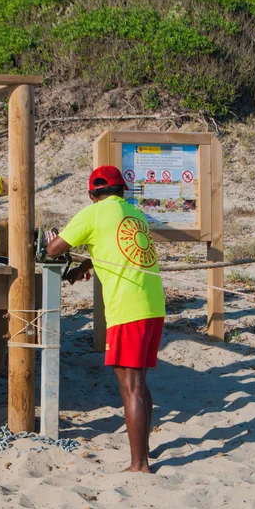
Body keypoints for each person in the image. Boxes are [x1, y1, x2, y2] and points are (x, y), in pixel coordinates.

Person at [47, 165, 165, 473]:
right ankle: (144, 448)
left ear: (91, 194)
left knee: (131, 386)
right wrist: (84, 267)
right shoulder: (135, 214)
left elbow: (53, 248)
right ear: (122, 191)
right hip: (152, 305)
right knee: (138, 381)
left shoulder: (92, 213)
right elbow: (111, 247)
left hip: (128, 309)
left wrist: (56, 243)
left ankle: (139, 464)